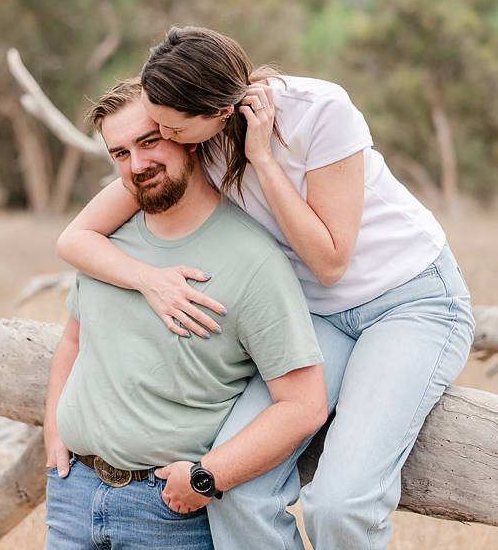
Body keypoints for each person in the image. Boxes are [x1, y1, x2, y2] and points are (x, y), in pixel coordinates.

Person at [56, 26, 476, 550]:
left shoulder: (320, 109)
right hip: (317, 316)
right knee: (234, 485)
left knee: (339, 505)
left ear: (213, 109)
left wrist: (263, 159)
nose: (159, 136)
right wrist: (150, 281)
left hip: (410, 301)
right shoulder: (195, 140)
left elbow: (329, 261)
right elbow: (76, 238)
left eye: (167, 127)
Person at [43, 78, 328, 550]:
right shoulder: (106, 242)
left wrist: (204, 477)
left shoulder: (253, 261)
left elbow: (304, 405)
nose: (137, 164)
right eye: (119, 153)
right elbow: (73, 342)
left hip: (168, 512)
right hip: (73, 494)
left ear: (185, 136)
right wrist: (55, 430)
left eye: (149, 141)